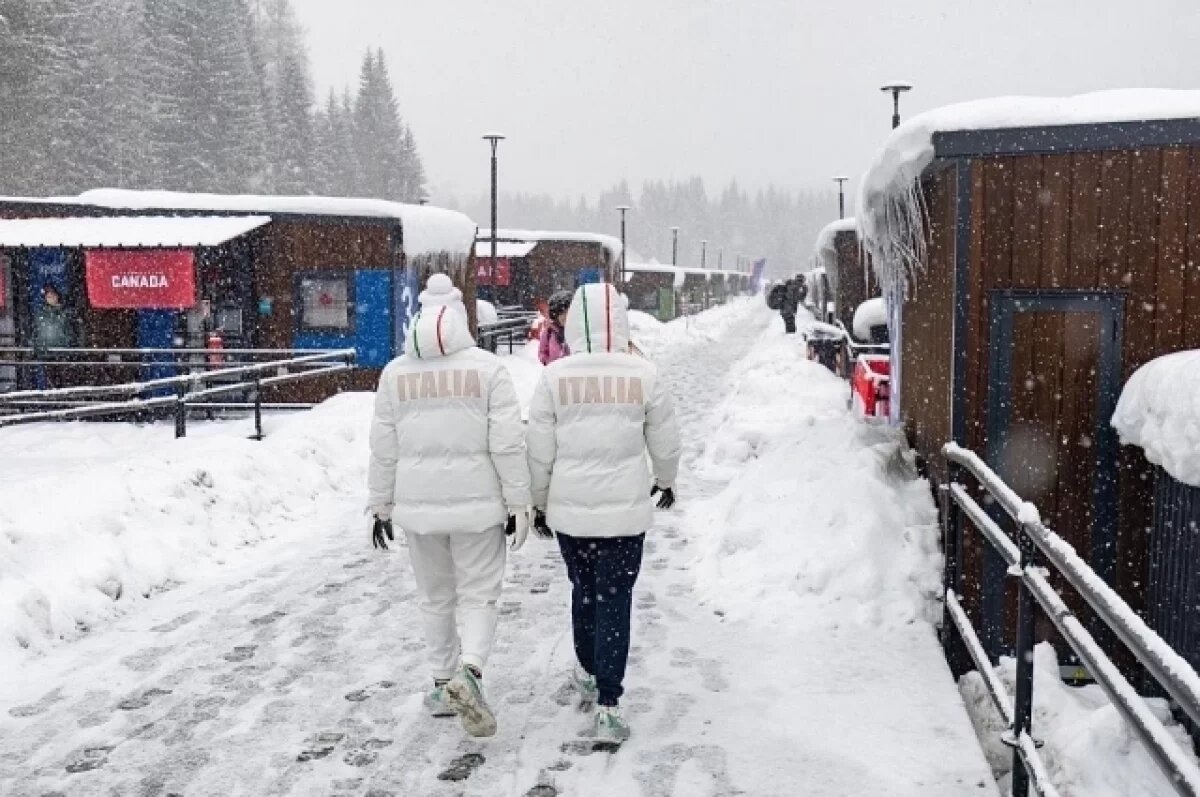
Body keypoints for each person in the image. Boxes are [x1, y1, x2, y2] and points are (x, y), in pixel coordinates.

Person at [367, 273, 532, 738]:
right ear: (461, 320)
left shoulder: (395, 374)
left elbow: (384, 448)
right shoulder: (488, 371)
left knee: (435, 597)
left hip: (419, 511)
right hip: (479, 508)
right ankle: (471, 672)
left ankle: (443, 683)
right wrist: (519, 501)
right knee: (480, 594)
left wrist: (380, 505)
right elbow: (507, 444)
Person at [526, 282, 681, 745]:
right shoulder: (644, 374)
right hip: (625, 515)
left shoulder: (555, 378)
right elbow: (665, 440)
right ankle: (609, 705)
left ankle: (590, 671)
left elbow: (539, 450)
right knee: (616, 598)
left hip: (571, 514)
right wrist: (666, 480)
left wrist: (539, 501)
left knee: (584, 590)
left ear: (575, 323)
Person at [538, 289, 572, 365]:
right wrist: (549, 363)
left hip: (574, 370)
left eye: (568, 312)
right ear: (555, 315)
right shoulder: (549, 332)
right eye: (562, 313)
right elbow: (542, 352)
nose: (566, 316)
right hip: (555, 370)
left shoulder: (578, 331)